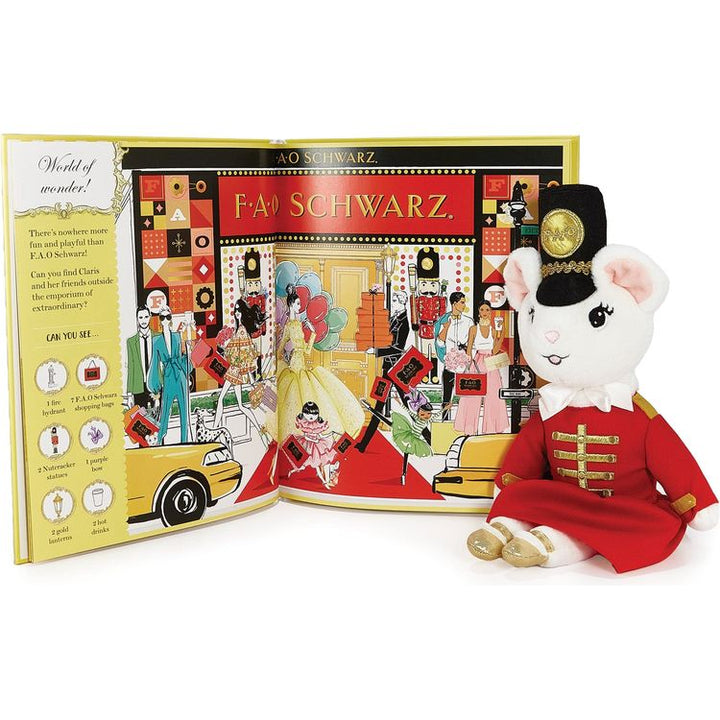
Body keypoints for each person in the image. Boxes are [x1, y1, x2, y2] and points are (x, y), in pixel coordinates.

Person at [276, 285, 365, 444]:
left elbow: (306, 350)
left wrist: (313, 334)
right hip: (294, 365)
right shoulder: (290, 326)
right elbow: (283, 343)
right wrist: (278, 358)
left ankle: (308, 436)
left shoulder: (299, 325)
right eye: (297, 304)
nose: (299, 306)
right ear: (291, 304)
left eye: (300, 303)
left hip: (301, 363)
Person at [355, 290, 410, 453]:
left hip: (396, 368)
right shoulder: (393, 319)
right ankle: (364, 444)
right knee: (379, 405)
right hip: (388, 368)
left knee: (408, 404)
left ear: (403, 302)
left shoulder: (404, 322)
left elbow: (397, 348)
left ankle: (428, 436)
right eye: (392, 300)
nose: (392, 303)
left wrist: (376, 351)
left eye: (395, 300)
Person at [213, 298, 267, 445]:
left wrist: (250, 377)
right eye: (235, 310)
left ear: (243, 312)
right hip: (234, 370)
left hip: (235, 371)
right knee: (241, 406)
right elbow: (236, 352)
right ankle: (260, 429)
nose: (236, 313)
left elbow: (245, 355)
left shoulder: (242, 330)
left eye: (239, 310)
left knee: (222, 399)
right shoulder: (239, 329)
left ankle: (214, 431)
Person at [454, 303, 510, 435]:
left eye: (487, 310)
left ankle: (492, 429)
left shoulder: (493, 330)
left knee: (494, 396)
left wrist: (502, 333)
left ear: (490, 312)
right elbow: (469, 349)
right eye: (482, 309)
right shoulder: (473, 329)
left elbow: (495, 350)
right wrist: (468, 365)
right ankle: (469, 428)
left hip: (491, 363)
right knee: (472, 396)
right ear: (478, 312)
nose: (485, 312)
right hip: (477, 362)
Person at [148, 307, 190, 444]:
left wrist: (188, 363)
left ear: (171, 318)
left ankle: (184, 441)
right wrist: (155, 384)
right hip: (168, 377)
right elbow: (155, 362)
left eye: (168, 317)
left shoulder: (177, 336)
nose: (165, 320)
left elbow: (183, 357)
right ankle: (159, 439)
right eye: (162, 317)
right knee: (165, 411)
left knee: (184, 411)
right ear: (159, 320)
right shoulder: (156, 340)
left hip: (180, 375)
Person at [436, 292, 473, 420]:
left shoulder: (468, 322)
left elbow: (472, 342)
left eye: (464, 302)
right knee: (446, 396)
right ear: (454, 303)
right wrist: (446, 327)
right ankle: (445, 420)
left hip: (464, 366)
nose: (464, 305)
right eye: (462, 302)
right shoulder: (444, 320)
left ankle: (465, 422)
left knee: (466, 397)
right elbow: (440, 343)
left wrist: (467, 354)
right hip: (449, 366)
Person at [292, 401, 339, 489]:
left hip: (318, 445)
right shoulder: (304, 424)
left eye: (314, 414)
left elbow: (321, 435)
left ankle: (327, 477)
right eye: (307, 413)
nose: (311, 416)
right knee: (316, 464)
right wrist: (314, 440)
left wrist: (330, 434)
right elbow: (306, 437)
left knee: (323, 460)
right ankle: (325, 481)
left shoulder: (317, 424)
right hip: (310, 446)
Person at [126, 305, 157, 410]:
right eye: (140, 317)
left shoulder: (157, 337)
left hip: (155, 384)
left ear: (150, 317)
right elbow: (131, 367)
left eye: (146, 317)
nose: (143, 320)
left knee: (158, 415)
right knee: (140, 416)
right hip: (139, 386)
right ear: (137, 319)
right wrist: (129, 393)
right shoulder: (131, 342)